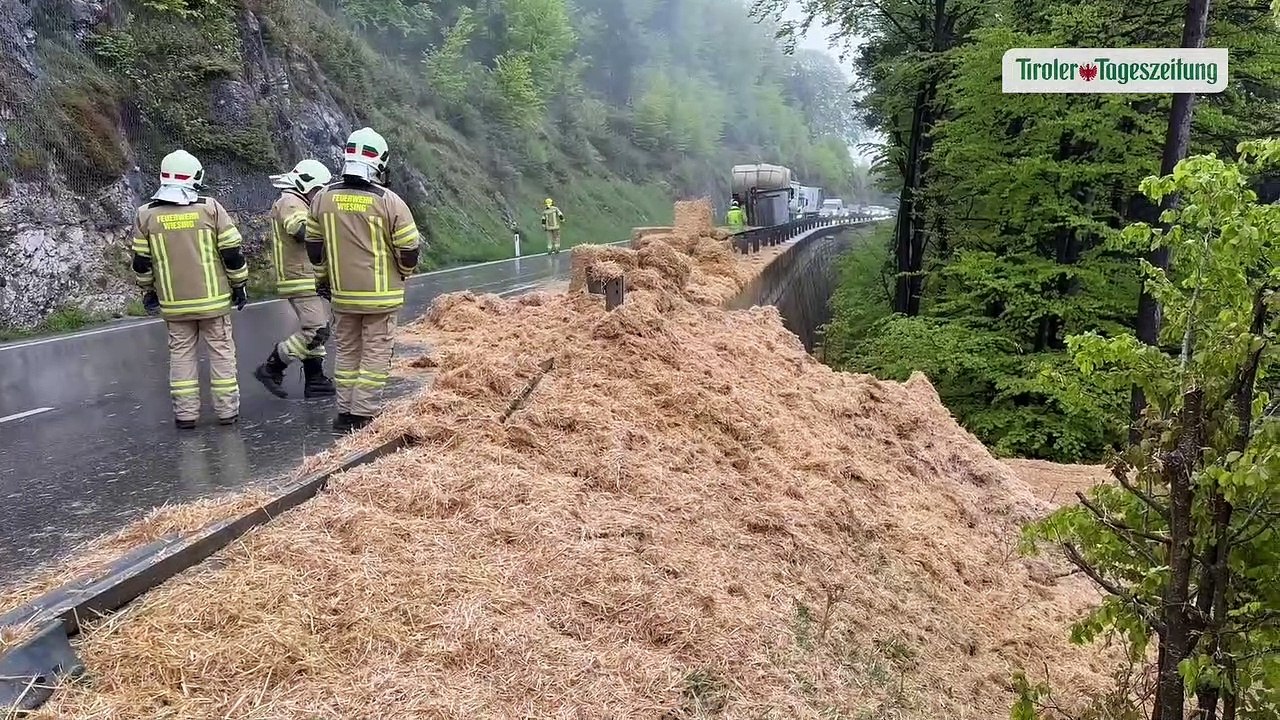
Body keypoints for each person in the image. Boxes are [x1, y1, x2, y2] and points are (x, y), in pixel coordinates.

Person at [305, 127, 420, 433]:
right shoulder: (389, 201)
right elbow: (409, 248)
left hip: (342, 294)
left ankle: (344, 411)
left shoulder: (323, 198)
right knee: (375, 353)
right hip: (381, 296)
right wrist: (403, 273)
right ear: (380, 162)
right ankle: (363, 414)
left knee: (346, 352)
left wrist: (322, 278)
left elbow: (314, 246)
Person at [130, 149, 248, 429]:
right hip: (213, 302)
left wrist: (148, 291)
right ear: (195, 177)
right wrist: (239, 284)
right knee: (221, 353)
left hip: (174, 304)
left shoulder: (146, 215)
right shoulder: (210, 208)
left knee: (181, 356)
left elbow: (141, 263)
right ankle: (226, 412)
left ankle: (185, 415)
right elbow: (232, 252)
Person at [253, 159, 337, 399]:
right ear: (304, 184)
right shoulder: (290, 201)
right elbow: (300, 231)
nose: (319, 195)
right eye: (317, 190)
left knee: (316, 327)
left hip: (308, 276)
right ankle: (272, 367)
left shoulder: (299, 201)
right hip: (300, 277)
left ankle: (315, 379)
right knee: (316, 330)